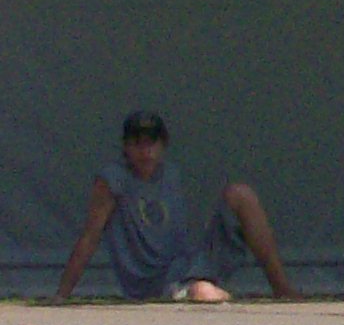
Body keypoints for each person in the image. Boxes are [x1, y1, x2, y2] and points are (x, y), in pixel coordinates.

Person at [54, 110, 301, 303]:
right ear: (125, 147)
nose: (145, 152)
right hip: (155, 282)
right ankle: (202, 291)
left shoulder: (170, 174)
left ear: (163, 145)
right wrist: (62, 295)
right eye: (137, 143)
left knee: (241, 195)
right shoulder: (112, 181)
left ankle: (282, 290)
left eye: (152, 143)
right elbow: (90, 237)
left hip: (187, 265)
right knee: (203, 293)